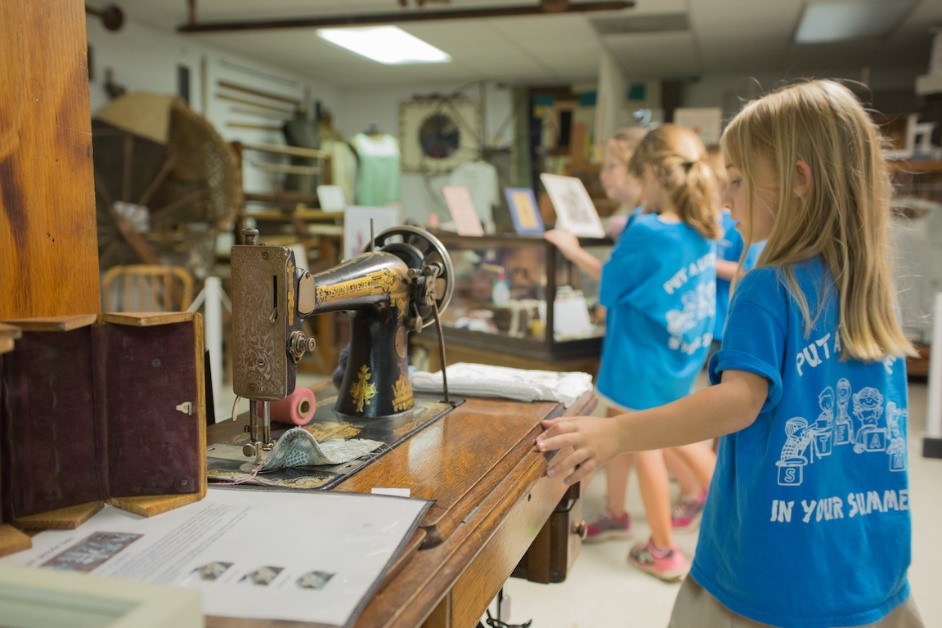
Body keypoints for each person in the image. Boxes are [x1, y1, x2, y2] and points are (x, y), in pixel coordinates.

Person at [536, 80, 923, 626]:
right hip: (869, 568)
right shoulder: (871, 288)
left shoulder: (768, 287)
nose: (724, 199)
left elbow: (738, 401)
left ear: (797, 181)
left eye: (737, 180)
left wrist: (616, 433)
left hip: (768, 579)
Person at [545, 123, 720, 580]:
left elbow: (609, 285)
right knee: (662, 435)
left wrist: (570, 250)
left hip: (639, 359)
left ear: (651, 175)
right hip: (678, 356)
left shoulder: (645, 230)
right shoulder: (700, 227)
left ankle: (663, 548)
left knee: (645, 445)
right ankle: (622, 512)